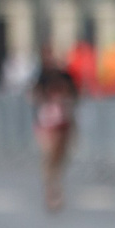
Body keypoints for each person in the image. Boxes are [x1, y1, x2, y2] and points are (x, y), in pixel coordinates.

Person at [30, 51, 79, 213]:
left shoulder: (66, 76)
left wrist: (66, 101)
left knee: (60, 157)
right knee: (49, 155)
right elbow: (32, 95)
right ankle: (50, 190)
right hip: (46, 123)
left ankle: (56, 184)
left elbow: (77, 95)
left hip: (63, 122)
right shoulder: (42, 76)